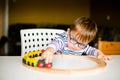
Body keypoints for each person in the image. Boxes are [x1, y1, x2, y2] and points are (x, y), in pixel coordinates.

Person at [42, 17, 112, 64]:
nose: (75, 46)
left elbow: (92, 50)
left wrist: (100, 54)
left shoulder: (84, 47)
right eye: (73, 40)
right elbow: (55, 43)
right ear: (68, 32)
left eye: (81, 44)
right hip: (57, 64)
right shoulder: (64, 39)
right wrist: (50, 50)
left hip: (72, 67)